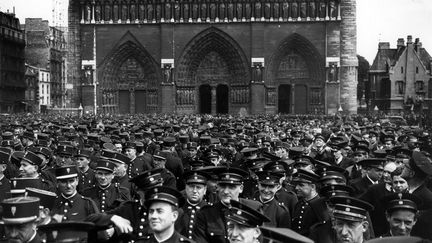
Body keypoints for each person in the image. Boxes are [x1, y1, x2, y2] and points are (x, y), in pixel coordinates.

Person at [86, 168, 165, 241]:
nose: (155, 195)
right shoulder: (129, 208)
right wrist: (113, 218)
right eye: (149, 192)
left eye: (158, 191)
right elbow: (91, 219)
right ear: (139, 193)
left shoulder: (167, 210)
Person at [193, 167, 262, 243]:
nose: (226, 191)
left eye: (231, 187)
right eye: (222, 186)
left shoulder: (253, 209)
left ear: (241, 189)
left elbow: (259, 239)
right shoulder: (206, 214)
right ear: (217, 187)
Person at [176, 169, 211, 239]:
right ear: (186, 188)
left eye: (199, 187)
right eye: (191, 186)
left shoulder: (210, 212)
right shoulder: (177, 210)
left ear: (205, 190)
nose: (194, 191)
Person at [291, 169, 320, 236]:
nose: (296, 188)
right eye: (297, 185)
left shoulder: (320, 206)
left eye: (301, 185)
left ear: (312, 187)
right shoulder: (299, 204)